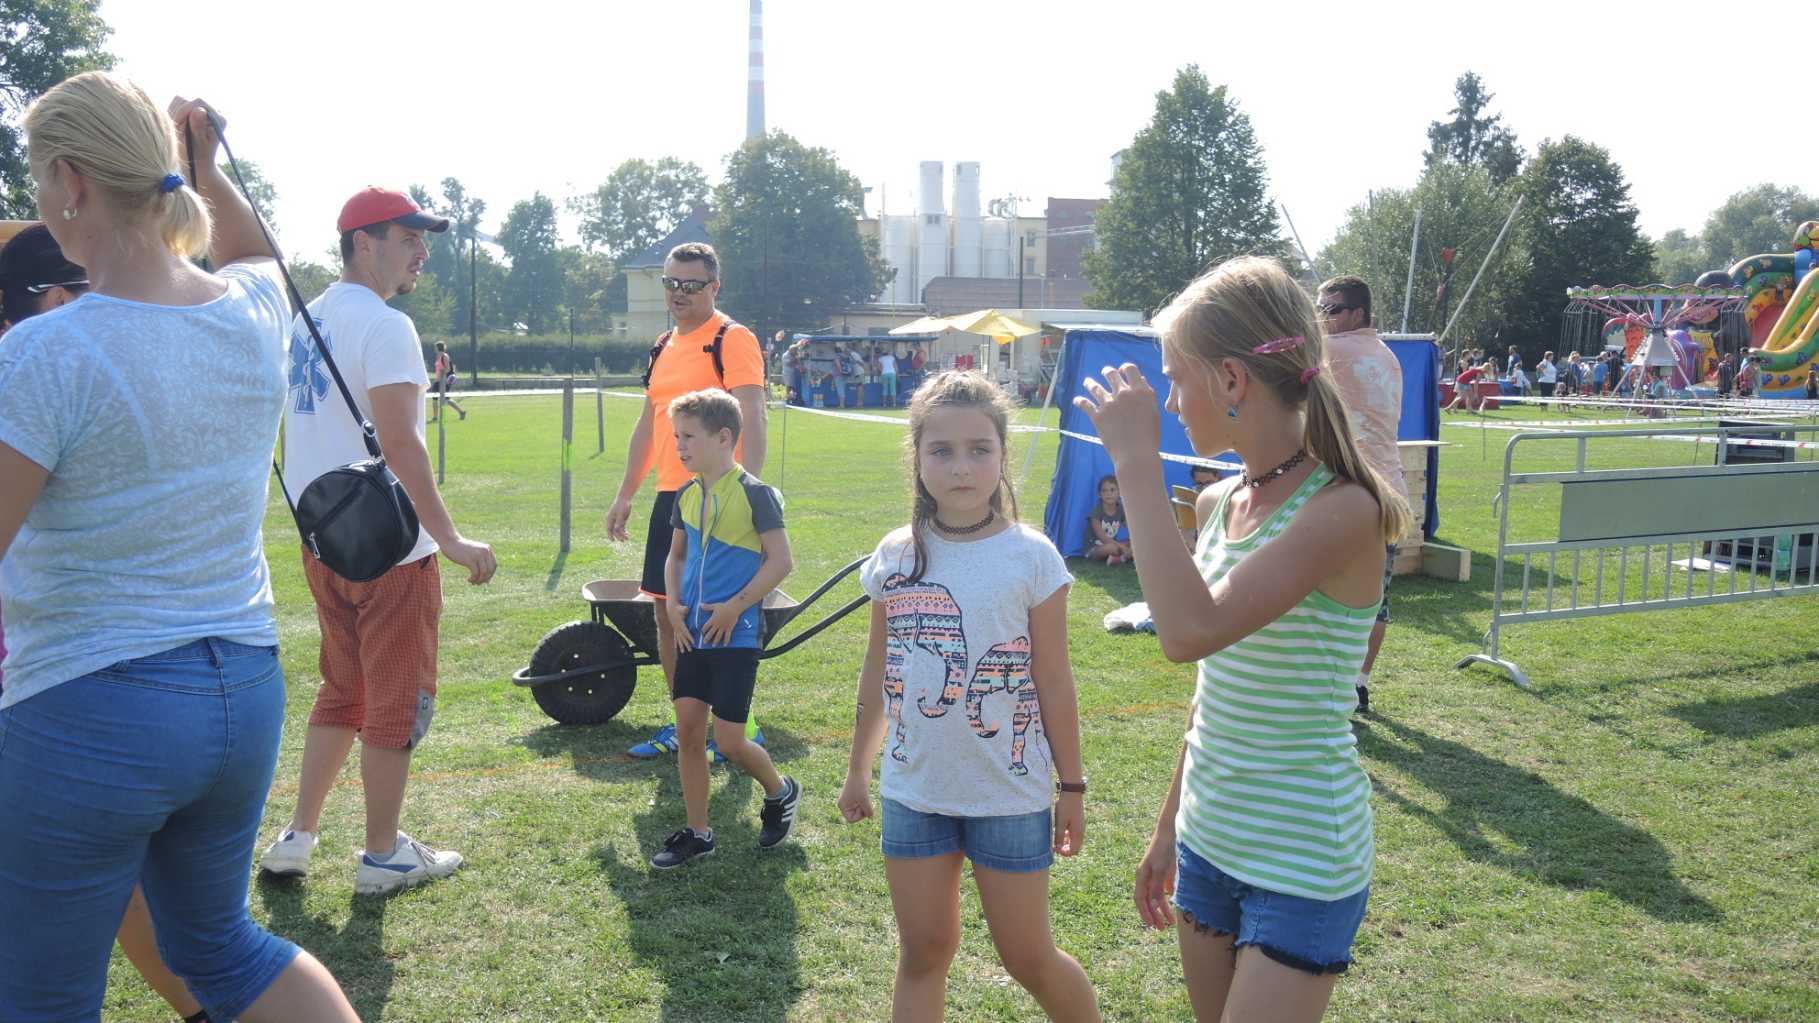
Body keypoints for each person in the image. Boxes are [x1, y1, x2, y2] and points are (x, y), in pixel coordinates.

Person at [0, 74, 358, 1020]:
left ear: (71, 182)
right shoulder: (250, 314)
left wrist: (191, 159)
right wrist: (201, 159)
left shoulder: (45, 354)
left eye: (39, 181)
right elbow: (250, 249)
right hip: (239, 692)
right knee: (225, 946)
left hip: (89, 705)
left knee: (42, 992)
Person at [1076, 255, 1408, 1023]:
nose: (1168, 399)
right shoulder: (1223, 499)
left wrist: (1132, 462)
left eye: (1175, 378)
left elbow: (1188, 632)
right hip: (1208, 840)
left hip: (1301, 857)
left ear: (1230, 382)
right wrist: (1167, 828)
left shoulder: (1345, 508)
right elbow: (1212, 687)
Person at [0, 223, 227, 1022]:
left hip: (63, 689)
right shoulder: (65, 358)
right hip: (159, 683)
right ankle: (204, 1009)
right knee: (135, 896)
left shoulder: (52, 361)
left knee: (57, 948)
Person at [258, 186, 498, 897]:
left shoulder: (307, 319)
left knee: (341, 690)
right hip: (392, 550)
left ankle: (297, 837)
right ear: (364, 242)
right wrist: (448, 537)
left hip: (324, 541)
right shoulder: (386, 324)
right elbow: (400, 442)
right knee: (393, 701)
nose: (422, 251)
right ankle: (383, 853)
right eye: (408, 236)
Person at [839, 370, 1099, 1022]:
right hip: (914, 790)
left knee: (1027, 956)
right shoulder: (895, 555)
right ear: (917, 456)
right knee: (923, 950)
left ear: (1002, 455)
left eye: (979, 449)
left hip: (1006, 794)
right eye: (942, 450)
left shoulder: (1030, 556)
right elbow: (880, 666)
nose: (961, 466)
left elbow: (1053, 678)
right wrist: (856, 770)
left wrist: (1071, 786)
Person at [607, 242, 769, 760]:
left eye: (691, 284)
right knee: (668, 613)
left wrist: (747, 495)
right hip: (670, 499)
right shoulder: (661, 344)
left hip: (720, 500)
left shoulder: (732, 339)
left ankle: (736, 728)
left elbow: (754, 417)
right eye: (671, 283)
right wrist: (626, 492)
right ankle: (686, 724)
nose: (678, 292)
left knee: (717, 616)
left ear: (713, 287)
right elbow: (648, 425)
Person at [649, 389, 802, 868]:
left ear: (724, 438)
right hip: (691, 634)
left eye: (689, 436)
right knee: (690, 732)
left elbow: (782, 562)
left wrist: (734, 608)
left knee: (731, 742)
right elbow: (674, 558)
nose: (680, 445)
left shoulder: (755, 495)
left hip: (734, 636)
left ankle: (781, 791)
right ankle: (699, 833)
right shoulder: (687, 495)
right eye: (677, 436)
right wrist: (673, 606)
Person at [1318, 275, 1408, 715]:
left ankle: (1334, 685)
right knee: (1376, 599)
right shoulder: (1387, 355)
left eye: (1331, 310)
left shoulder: (1335, 351)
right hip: (1389, 493)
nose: (1322, 318)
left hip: (1350, 493)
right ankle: (1359, 684)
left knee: (1323, 595)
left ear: (1356, 314)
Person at [1085, 474, 1133, 565]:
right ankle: (1123, 557)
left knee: (1132, 543)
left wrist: (1134, 544)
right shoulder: (1096, 513)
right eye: (1104, 491)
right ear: (1099, 494)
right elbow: (1103, 538)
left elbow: (1131, 529)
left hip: (1114, 544)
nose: (1108, 493)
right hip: (1096, 548)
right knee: (1112, 548)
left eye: (1112, 490)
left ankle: (1118, 558)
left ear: (1119, 493)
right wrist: (1123, 548)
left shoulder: (1120, 509)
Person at [428, 340, 465, 421]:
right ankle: (435, 417)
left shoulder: (445, 356)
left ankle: (461, 412)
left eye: (435, 347)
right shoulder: (438, 356)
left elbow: (447, 369)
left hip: (445, 381)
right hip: (438, 380)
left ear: (438, 348)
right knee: (434, 398)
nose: (434, 349)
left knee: (446, 399)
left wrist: (441, 377)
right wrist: (436, 379)